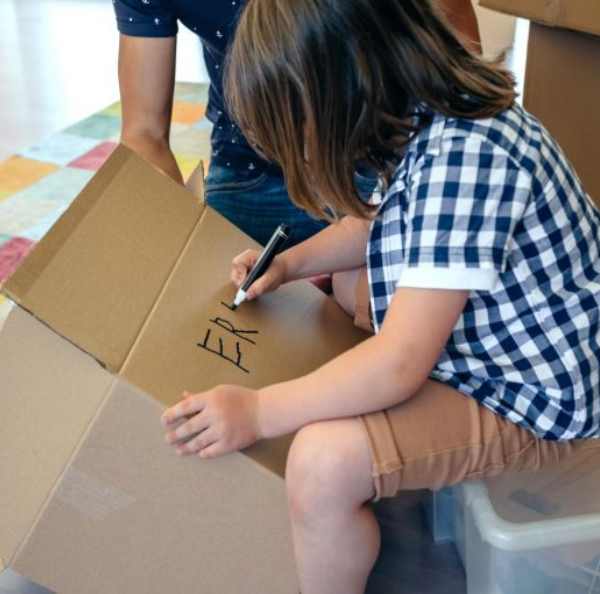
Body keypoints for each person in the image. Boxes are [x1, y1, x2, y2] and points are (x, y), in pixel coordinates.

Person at [160, 1, 600, 594]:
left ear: (347, 85)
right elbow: (372, 222)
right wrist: (289, 263)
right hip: (504, 372)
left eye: (304, 134)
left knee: (321, 465)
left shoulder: (468, 156)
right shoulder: (429, 118)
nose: (307, 158)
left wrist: (258, 412)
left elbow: (398, 363)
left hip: (541, 405)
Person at [112, 0, 480, 246]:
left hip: (383, 158)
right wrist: (168, 246)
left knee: (362, 304)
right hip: (250, 167)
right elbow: (143, 133)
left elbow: (457, 78)